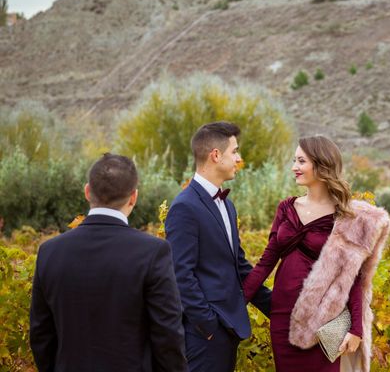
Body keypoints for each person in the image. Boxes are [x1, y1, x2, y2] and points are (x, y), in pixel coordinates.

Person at [242, 136, 390, 372]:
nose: (294, 167)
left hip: (323, 320)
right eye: (294, 160)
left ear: (321, 164)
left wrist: (356, 329)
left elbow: (352, 278)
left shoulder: (345, 216)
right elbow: (265, 262)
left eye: (301, 161)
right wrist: (236, 303)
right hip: (283, 317)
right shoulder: (286, 207)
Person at [29, 153, 187, 372]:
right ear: (133, 197)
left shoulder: (50, 251)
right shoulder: (152, 252)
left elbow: (40, 334)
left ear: (87, 191)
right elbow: (168, 335)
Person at [165, 121, 271, 372]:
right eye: (234, 151)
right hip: (204, 336)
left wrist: (280, 307)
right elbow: (180, 274)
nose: (239, 158)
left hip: (227, 331)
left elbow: (239, 267)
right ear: (215, 155)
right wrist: (208, 325)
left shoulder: (227, 204)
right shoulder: (185, 207)